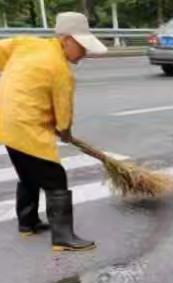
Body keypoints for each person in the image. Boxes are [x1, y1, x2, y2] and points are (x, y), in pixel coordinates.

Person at [0, 12, 107, 251]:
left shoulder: (26, 44)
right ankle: (63, 238)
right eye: (82, 46)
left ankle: (28, 223)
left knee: (29, 174)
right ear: (66, 39)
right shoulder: (61, 71)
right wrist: (65, 132)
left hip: (6, 124)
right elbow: (64, 114)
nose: (85, 52)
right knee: (55, 178)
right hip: (27, 127)